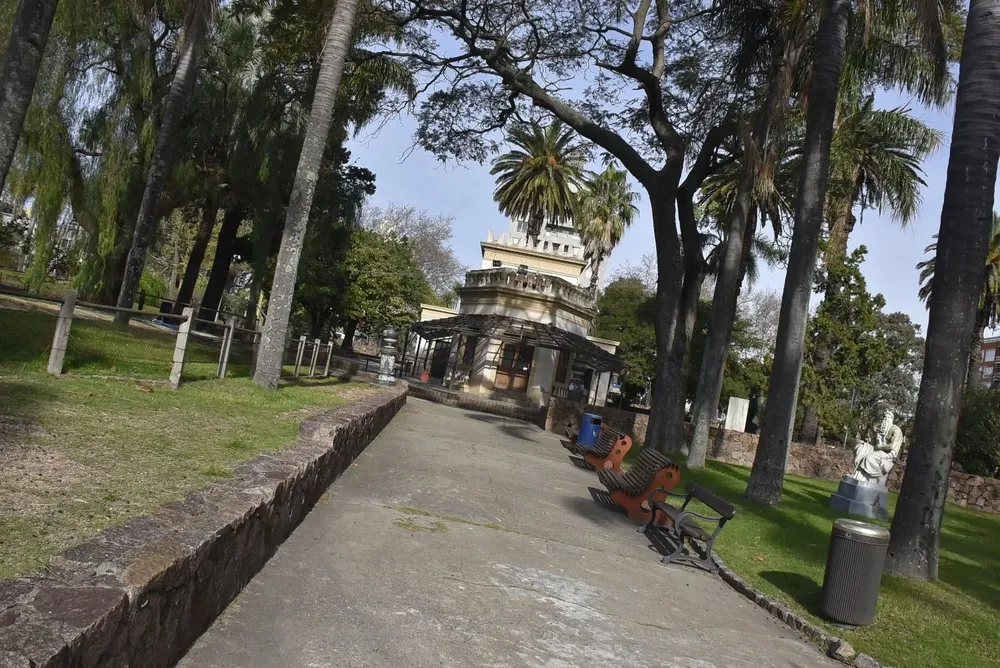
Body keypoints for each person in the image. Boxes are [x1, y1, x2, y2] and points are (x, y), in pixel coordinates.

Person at [850, 410, 903, 487]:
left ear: (891, 419)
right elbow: (873, 443)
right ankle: (857, 476)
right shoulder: (881, 429)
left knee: (869, 458)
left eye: (887, 417)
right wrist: (865, 443)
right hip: (878, 449)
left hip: (888, 453)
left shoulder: (896, 430)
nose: (885, 419)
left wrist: (880, 446)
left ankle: (878, 478)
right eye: (884, 417)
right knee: (860, 448)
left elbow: (892, 446)